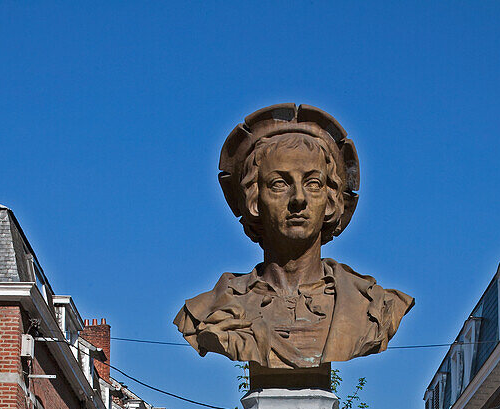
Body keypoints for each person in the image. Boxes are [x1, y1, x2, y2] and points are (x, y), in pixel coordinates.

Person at [174, 104, 413, 391]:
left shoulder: (374, 306)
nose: (298, 198)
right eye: (279, 184)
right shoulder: (210, 310)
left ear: (331, 199)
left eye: (312, 183)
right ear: (254, 199)